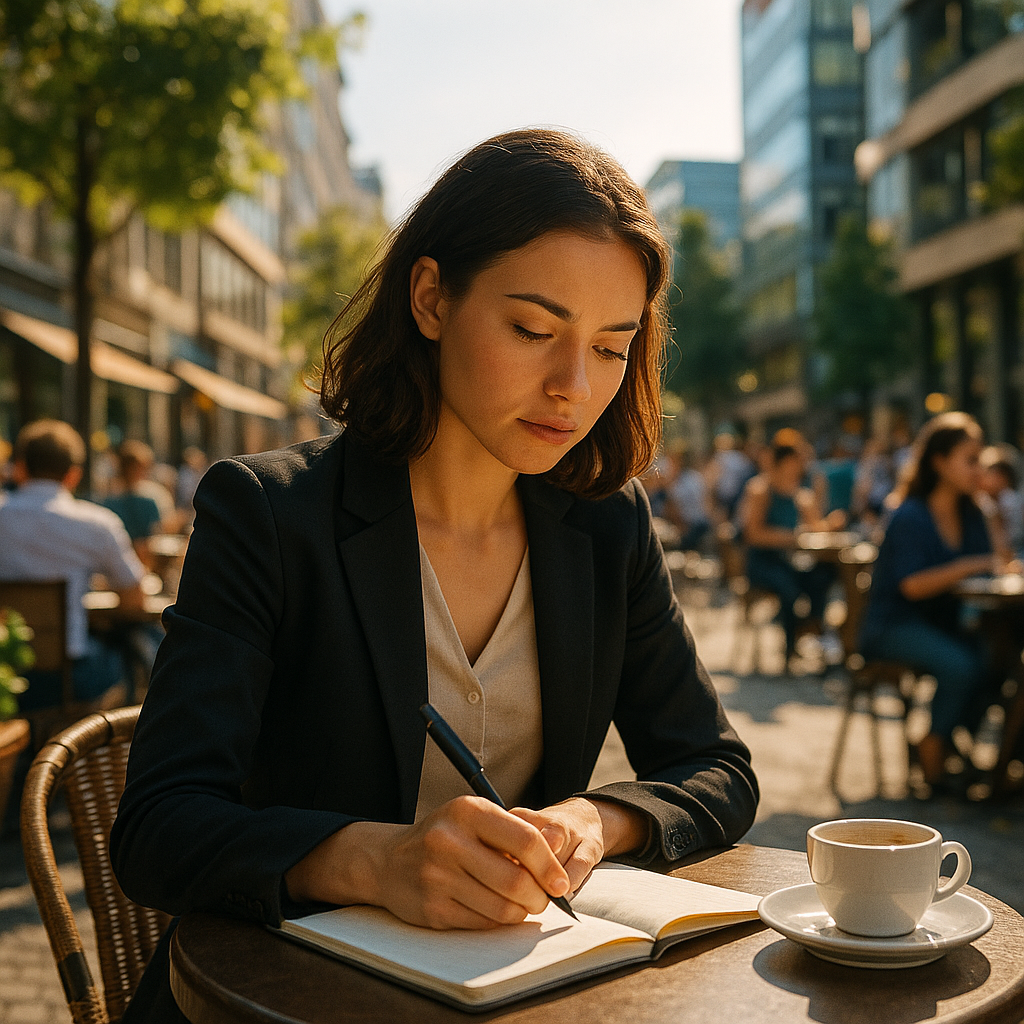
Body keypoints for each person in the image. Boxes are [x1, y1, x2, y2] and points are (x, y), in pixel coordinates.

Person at [109, 129, 758, 1022]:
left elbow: (716, 768)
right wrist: (372, 860)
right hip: (275, 1000)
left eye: (612, 347)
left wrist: (593, 822)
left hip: (513, 996)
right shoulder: (268, 514)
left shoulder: (607, 524)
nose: (574, 384)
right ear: (429, 298)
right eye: (533, 329)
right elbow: (157, 829)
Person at [859, 413, 1014, 790]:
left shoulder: (972, 511)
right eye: (971, 459)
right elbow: (912, 586)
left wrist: (990, 510)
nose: (980, 468)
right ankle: (933, 744)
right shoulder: (910, 514)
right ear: (939, 462)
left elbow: (1000, 561)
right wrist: (968, 564)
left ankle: (953, 745)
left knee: (1001, 660)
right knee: (962, 666)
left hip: (941, 623)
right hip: (893, 625)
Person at [0, 419, 145, 708]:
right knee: (126, 661)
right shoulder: (97, 525)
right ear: (73, 476)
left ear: (20, 467)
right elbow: (134, 599)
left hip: (4, 671)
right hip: (68, 675)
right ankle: (85, 745)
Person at [740, 438, 846, 666]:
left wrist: (831, 523)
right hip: (763, 563)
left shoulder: (800, 494)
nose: (803, 465)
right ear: (785, 461)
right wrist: (792, 538)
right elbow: (753, 534)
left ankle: (809, 629)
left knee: (823, 576)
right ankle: (790, 648)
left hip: (788, 561)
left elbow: (816, 529)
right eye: (798, 460)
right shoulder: (761, 490)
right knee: (789, 589)